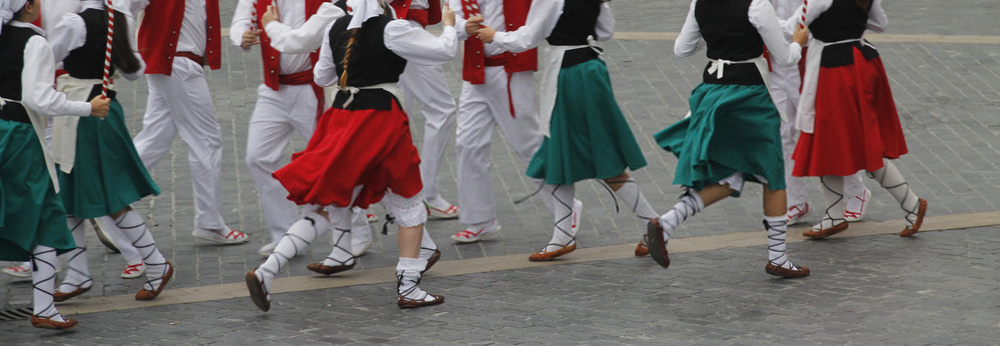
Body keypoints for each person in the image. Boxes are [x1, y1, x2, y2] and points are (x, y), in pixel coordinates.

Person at [245, 0, 458, 311]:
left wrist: (353, 63)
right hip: (380, 119)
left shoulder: (335, 26)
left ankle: (268, 271)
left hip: (342, 116)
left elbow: (322, 77)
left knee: (330, 203)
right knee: (409, 199)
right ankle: (409, 286)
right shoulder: (392, 28)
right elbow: (444, 51)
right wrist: (450, 25)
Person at [476, 0, 656, 261]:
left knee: (595, 157)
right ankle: (563, 233)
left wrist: (495, 36)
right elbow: (605, 31)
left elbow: (527, 37)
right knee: (560, 151)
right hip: (591, 69)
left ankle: (652, 222)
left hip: (569, 75)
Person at [648, 0, 811, 278]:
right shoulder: (756, 4)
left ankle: (670, 220)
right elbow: (784, 58)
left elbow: (681, 49)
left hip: (712, 92)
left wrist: (711, 35)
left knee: (733, 173)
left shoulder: (700, 2)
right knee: (771, 173)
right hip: (749, 96)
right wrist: (798, 42)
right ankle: (778, 257)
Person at [45, 0, 174, 303]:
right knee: (72, 196)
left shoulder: (73, 23)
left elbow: (46, 60)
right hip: (104, 110)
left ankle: (155, 262)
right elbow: (134, 71)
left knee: (108, 200)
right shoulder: (117, 19)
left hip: (84, 116)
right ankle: (78, 273)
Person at [0, 0, 111, 329]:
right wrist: (87, 108)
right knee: (47, 213)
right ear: (31, 7)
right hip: (20, 137)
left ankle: (46, 305)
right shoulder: (34, 41)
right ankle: (44, 307)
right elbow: (38, 98)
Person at [788, 0, 926, 238]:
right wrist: (851, 24)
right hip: (861, 62)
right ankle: (835, 215)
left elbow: (791, 26)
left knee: (837, 142)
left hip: (835, 71)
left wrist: (755, 20)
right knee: (841, 142)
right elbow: (880, 24)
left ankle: (911, 204)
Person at [230, 0, 356, 256]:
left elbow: (303, 40)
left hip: (312, 90)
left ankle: (355, 233)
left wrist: (271, 25)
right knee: (258, 157)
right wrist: (240, 36)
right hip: (273, 89)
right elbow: (241, 19)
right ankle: (285, 233)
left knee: (332, 161)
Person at [448, 0, 573, 244]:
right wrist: (466, 27)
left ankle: (566, 209)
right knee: (467, 144)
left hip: (512, 70)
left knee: (528, 144)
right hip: (475, 72)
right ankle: (480, 219)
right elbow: (452, 20)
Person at [131, 0, 249, 245]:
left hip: (171, 62)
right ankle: (209, 222)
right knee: (206, 141)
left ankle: (111, 196)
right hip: (177, 63)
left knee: (155, 138)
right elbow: (125, 6)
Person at [767, 0, 870, 226]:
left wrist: (764, 22)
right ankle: (795, 200)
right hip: (773, 58)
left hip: (808, 57)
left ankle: (855, 191)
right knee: (780, 132)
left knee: (825, 129)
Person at [387, 0, 461, 220]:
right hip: (404, 28)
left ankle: (397, 191)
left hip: (401, 25)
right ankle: (424, 191)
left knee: (399, 113)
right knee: (441, 109)